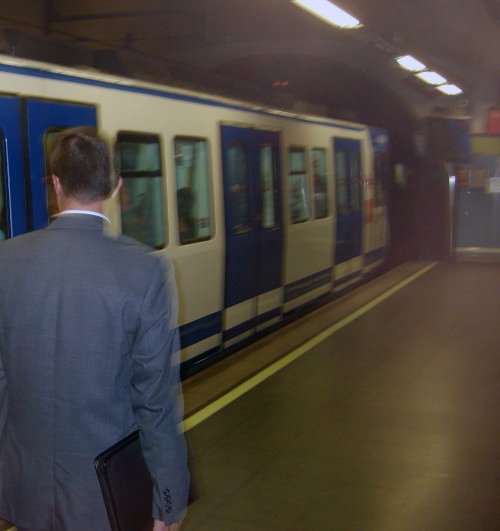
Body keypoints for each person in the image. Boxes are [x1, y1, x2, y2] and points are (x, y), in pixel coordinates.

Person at [0, 127, 189, 530]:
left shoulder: (6, 260)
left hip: (23, 491)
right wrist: (168, 503)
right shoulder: (146, 270)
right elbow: (155, 400)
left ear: (55, 184)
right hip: (104, 499)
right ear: (116, 187)